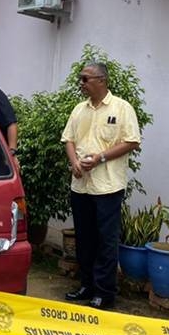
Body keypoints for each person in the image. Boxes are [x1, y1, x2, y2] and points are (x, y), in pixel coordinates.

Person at [60, 62, 140, 310]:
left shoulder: (122, 108)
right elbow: (69, 139)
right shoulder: (78, 110)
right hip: (81, 185)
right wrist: (74, 162)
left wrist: (100, 158)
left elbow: (131, 141)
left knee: (106, 240)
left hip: (107, 186)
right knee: (85, 238)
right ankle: (87, 286)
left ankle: (104, 293)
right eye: (80, 79)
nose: (81, 84)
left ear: (102, 80)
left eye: (85, 79)